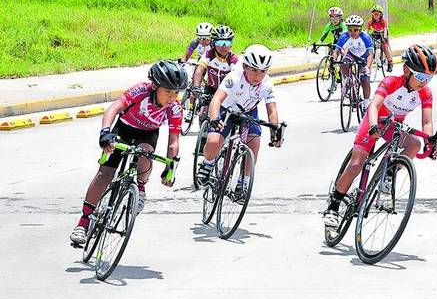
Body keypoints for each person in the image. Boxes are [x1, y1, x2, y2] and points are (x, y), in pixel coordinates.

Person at [322, 45, 437, 229]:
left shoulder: (425, 93)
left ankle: (389, 173)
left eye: (429, 78)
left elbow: (427, 122)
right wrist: (374, 125)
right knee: (356, 164)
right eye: (421, 77)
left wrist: (430, 141)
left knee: (415, 144)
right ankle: (333, 205)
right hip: (375, 120)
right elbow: (374, 106)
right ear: (407, 70)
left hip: (393, 126)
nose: (424, 82)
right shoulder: (391, 81)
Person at [69, 61, 186, 246]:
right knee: (105, 174)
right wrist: (105, 133)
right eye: (168, 92)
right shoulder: (141, 91)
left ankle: (140, 188)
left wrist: (170, 168)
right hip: (123, 130)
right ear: (155, 86)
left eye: (176, 93)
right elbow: (113, 109)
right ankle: (83, 222)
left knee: (146, 153)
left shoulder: (175, 108)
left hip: (147, 134)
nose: (172, 97)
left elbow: (174, 142)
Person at [195, 45, 283, 192]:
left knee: (254, 144)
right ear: (244, 67)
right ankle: (208, 163)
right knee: (213, 141)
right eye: (254, 70)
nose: (258, 76)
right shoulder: (235, 76)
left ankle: (243, 181)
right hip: (226, 110)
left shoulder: (267, 83)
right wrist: (215, 118)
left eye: (263, 71)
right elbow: (216, 99)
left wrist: (275, 131)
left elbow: (272, 111)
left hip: (248, 112)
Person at [189, 25, 239, 121]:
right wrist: (195, 87)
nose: (223, 46)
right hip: (211, 88)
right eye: (220, 42)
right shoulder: (209, 54)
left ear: (231, 44)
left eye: (227, 42)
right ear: (214, 43)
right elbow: (199, 69)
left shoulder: (233, 59)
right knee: (202, 115)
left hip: (226, 91)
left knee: (223, 118)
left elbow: (235, 76)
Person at [335, 14, 374, 111]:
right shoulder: (344, 36)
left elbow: (370, 54)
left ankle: (366, 104)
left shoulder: (365, 37)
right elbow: (337, 51)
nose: (352, 32)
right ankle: (348, 82)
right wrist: (334, 60)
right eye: (350, 30)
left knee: (365, 81)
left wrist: (368, 67)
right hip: (352, 54)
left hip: (364, 57)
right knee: (343, 63)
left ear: (360, 29)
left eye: (356, 30)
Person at [367, 4, 393, 72]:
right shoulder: (371, 21)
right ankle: (374, 57)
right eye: (374, 14)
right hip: (375, 33)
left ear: (380, 15)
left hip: (382, 33)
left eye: (377, 14)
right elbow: (367, 29)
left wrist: (384, 37)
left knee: (385, 47)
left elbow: (385, 29)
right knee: (370, 45)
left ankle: (390, 63)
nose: (376, 16)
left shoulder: (383, 21)